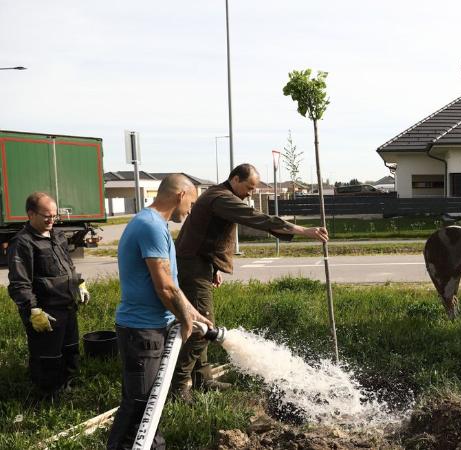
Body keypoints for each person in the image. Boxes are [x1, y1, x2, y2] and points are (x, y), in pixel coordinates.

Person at [172, 163, 328, 399]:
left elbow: (200, 234)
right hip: (192, 265)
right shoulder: (222, 198)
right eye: (249, 187)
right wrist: (303, 230)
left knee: (200, 322)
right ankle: (179, 386)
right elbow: (257, 218)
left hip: (197, 261)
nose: (251, 193)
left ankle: (202, 379)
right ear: (235, 179)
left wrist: (212, 266)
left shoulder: (218, 194)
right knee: (204, 325)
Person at [107, 174, 212, 450]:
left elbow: (172, 283)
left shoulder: (154, 224)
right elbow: (164, 287)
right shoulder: (150, 226)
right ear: (180, 195)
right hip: (143, 331)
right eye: (192, 201)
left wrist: (193, 312)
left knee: (142, 401)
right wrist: (185, 318)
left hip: (148, 328)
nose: (191, 209)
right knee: (143, 405)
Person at [8, 192, 90, 398]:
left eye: (54, 216)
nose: (52, 220)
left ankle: (69, 387)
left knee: (70, 350)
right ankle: (47, 396)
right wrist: (33, 310)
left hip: (68, 306)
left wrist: (79, 283)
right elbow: (20, 283)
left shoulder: (57, 236)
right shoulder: (23, 243)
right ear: (30, 214)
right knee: (48, 357)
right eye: (47, 216)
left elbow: (67, 266)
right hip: (46, 311)